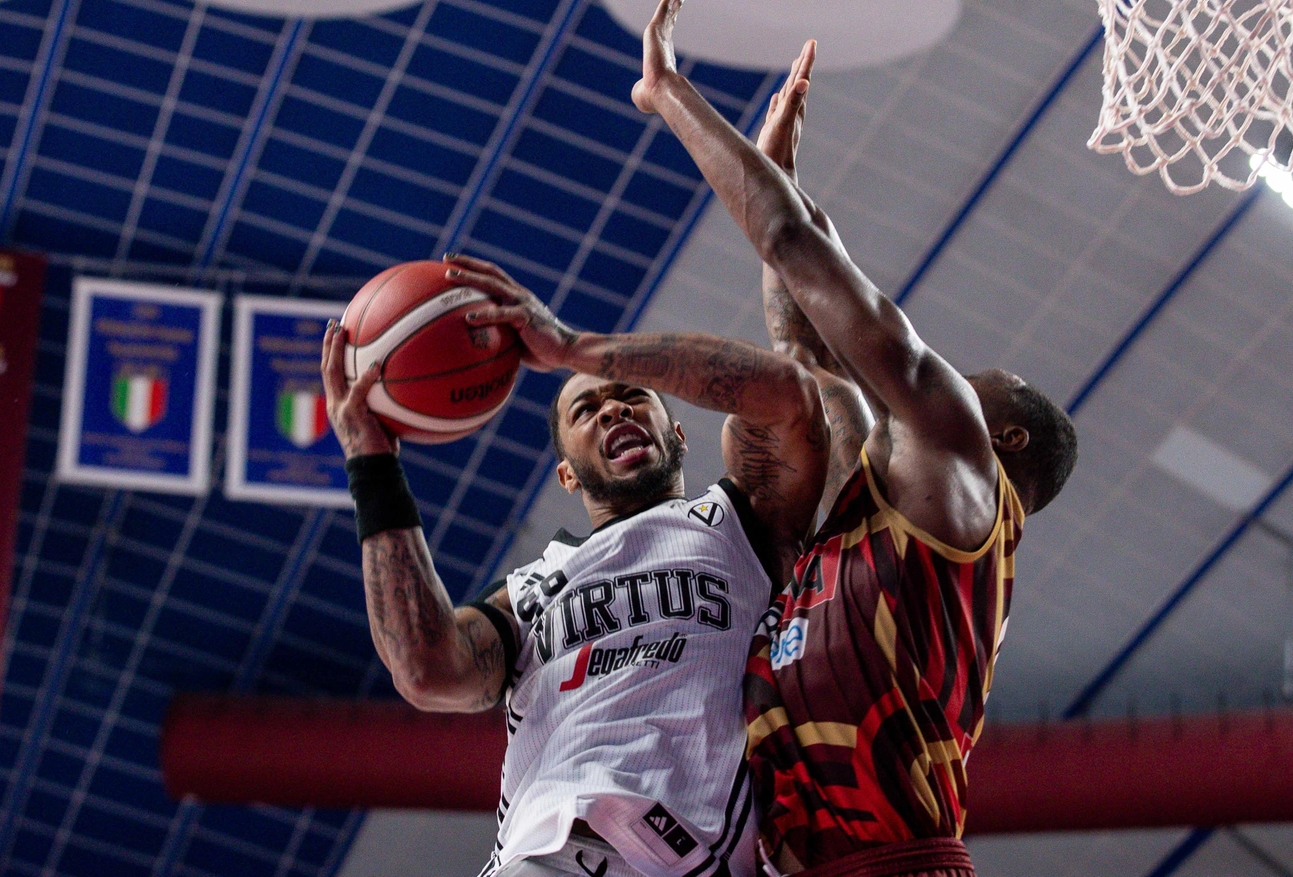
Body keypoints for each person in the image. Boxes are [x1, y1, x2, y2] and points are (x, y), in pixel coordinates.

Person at [629, 5, 1079, 876]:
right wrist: (777, 174)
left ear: (1006, 433)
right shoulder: (888, 507)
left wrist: (669, 92)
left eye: (990, 373)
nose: (961, 368)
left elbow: (798, 245)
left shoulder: (962, 470)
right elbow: (803, 349)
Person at [319, 252, 828, 877]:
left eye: (631, 397)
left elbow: (790, 399)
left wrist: (574, 351)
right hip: (534, 857)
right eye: (585, 411)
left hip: (678, 856)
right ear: (566, 474)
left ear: (678, 435)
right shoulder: (532, 588)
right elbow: (426, 670)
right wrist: (372, 466)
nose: (613, 410)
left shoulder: (740, 522)